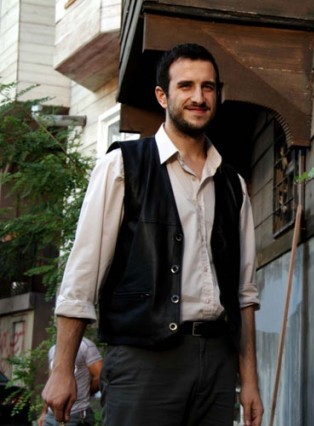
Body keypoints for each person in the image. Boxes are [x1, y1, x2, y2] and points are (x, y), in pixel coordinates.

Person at [41, 43, 263, 426]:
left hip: (217, 364)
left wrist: (250, 380)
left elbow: (243, 295)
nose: (198, 97)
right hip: (143, 361)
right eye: (186, 86)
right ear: (162, 95)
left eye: (208, 87)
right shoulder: (121, 167)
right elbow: (82, 274)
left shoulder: (233, 185)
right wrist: (63, 368)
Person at [39, 337, 102, 426]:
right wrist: (44, 413)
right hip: (51, 415)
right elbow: (51, 384)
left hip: (75, 414)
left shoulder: (85, 346)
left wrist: (87, 392)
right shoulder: (54, 349)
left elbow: (100, 376)